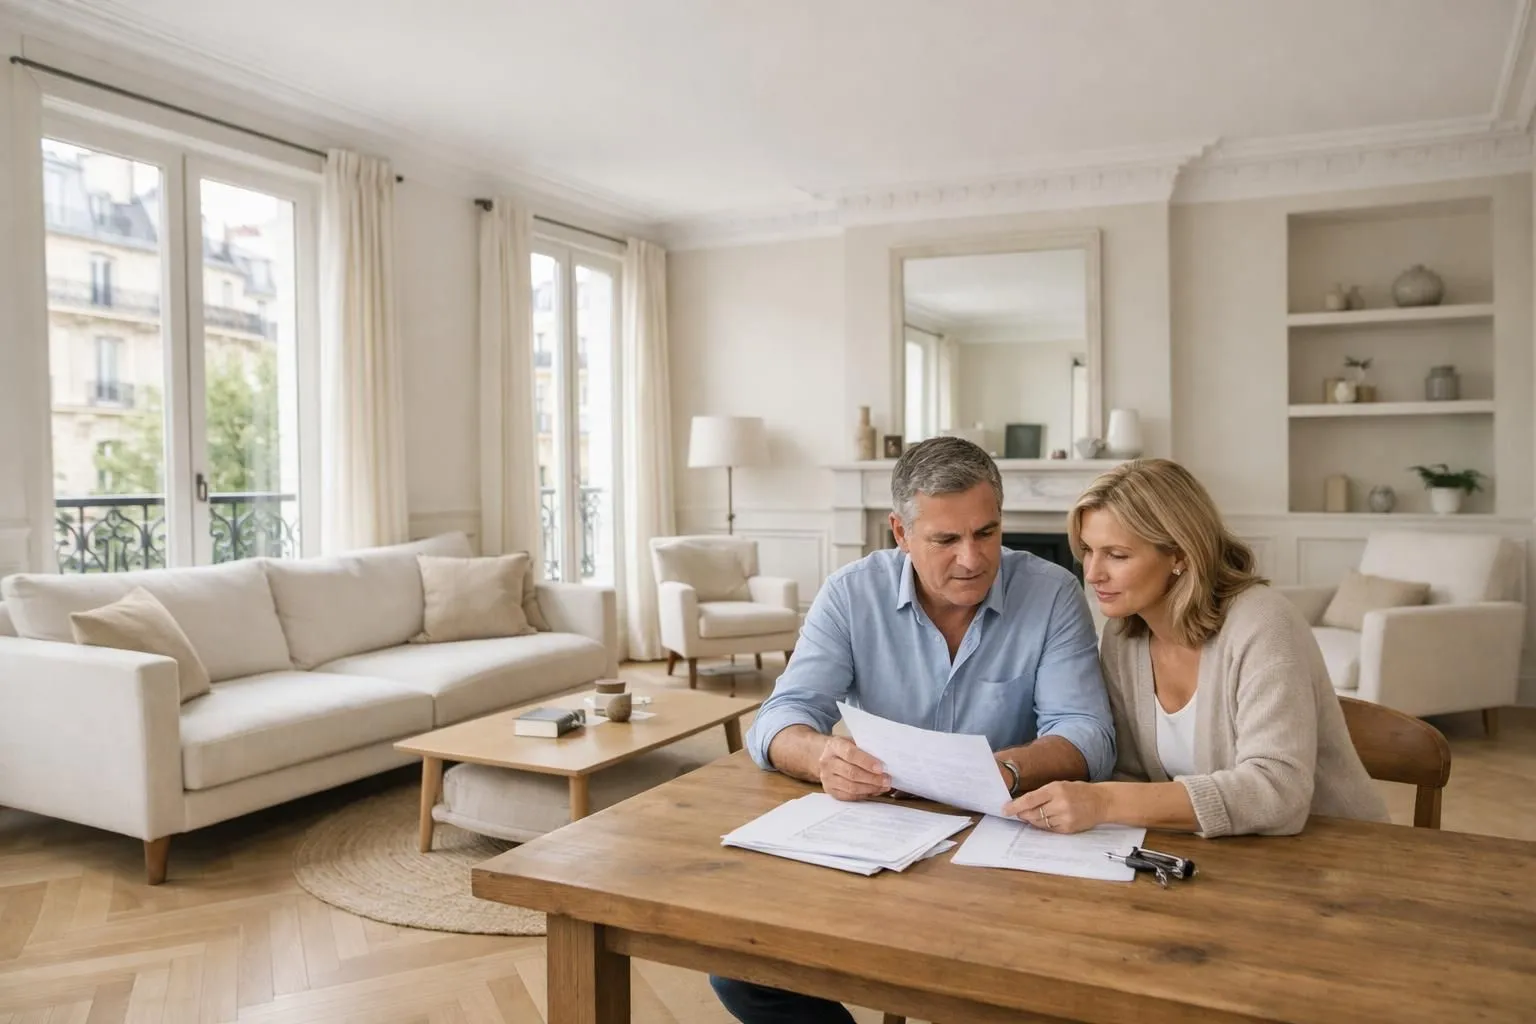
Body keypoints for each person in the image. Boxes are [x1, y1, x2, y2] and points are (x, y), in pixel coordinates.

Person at [712, 436, 1115, 1024]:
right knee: (740, 967)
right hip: (878, 835)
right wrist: (824, 754)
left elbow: (1088, 734)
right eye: (945, 539)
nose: (972, 559)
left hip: (1003, 847)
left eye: (986, 533)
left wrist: (1004, 769)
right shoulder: (851, 594)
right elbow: (778, 719)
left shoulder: (1052, 593)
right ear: (900, 534)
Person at [1004, 458, 1387, 837]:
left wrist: (1104, 802)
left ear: (1180, 555)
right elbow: (1132, 774)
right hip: (1221, 859)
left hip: (1337, 855)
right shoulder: (1124, 637)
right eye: (1087, 550)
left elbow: (1277, 790)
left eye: (1117, 555)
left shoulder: (1263, 625)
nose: (1092, 573)